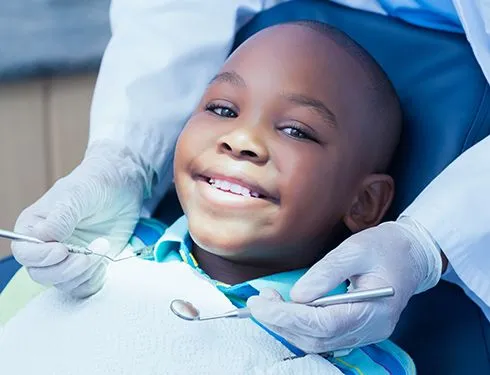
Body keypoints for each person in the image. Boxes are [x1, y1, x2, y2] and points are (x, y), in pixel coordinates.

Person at [10, 0, 490, 355]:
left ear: (365, 202)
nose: (241, 139)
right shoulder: (83, 263)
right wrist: (123, 158)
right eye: (221, 108)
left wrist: (427, 242)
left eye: (297, 131)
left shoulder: (344, 355)